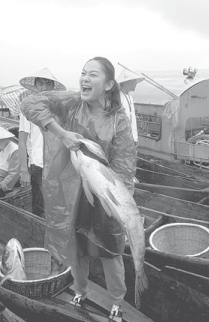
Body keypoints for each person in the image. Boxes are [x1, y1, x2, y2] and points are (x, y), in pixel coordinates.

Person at [21, 57, 136, 322]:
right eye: (83, 73)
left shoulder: (118, 119)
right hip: (71, 191)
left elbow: (124, 165)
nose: (84, 78)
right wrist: (61, 133)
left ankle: (117, 301)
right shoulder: (72, 102)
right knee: (77, 247)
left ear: (108, 85)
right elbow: (30, 103)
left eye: (92, 74)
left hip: (103, 194)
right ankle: (80, 290)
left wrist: (120, 204)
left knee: (111, 250)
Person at [18, 68, 66, 217]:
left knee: (59, 206)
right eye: (40, 84)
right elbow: (22, 141)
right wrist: (24, 170)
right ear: (36, 87)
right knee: (40, 207)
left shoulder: (59, 108)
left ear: (53, 87)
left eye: (48, 83)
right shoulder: (27, 107)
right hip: (38, 164)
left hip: (59, 164)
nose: (44, 88)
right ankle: (41, 237)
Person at [117, 69, 144, 147]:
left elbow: (133, 119)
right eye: (134, 82)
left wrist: (135, 138)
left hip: (128, 136)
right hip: (120, 137)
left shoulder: (130, 97)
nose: (136, 84)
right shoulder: (118, 97)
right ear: (126, 83)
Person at [0, 126, 20, 197]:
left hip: (5, 176)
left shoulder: (15, 150)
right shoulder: (3, 146)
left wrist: (2, 186)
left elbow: (14, 173)